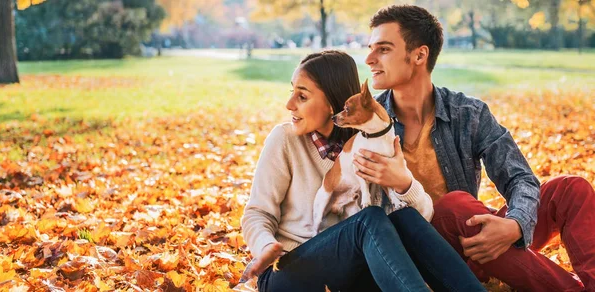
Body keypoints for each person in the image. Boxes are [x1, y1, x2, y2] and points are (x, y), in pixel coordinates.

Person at [356, 4, 595, 291]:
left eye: (383, 49)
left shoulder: (467, 113)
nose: (369, 59)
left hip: (475, 237)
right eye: (370, 48)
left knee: (570, 189)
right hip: (424, 254)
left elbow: (520, 178)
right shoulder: (366, 122)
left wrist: (516, 224)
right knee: (453, 206)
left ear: (420, 54)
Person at [239, 50, 485, 292]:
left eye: (302, 97)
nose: (289, 104)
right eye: (292, 92)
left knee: (404, 217)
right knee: (370, 218)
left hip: (352, 271)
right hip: (291, 271)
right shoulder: (285, 139)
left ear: (333, 102)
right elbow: (257, 213)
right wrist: (264, 245)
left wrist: (403, 183)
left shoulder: (370, 142)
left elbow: (423, 216)